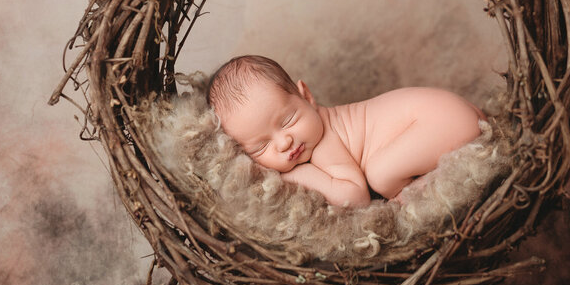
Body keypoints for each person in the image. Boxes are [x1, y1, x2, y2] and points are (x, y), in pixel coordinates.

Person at [207, 55, 484, 207]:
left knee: (380, 174)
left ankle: (423, 188)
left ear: (307, 96)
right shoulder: (310, 137)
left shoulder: (324, 140)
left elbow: (356, 197)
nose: (284, 141)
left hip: (442, 119)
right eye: (261, 147)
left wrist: (297, 174)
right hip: (449, 114)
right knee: (382, 171)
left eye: (289, 120)